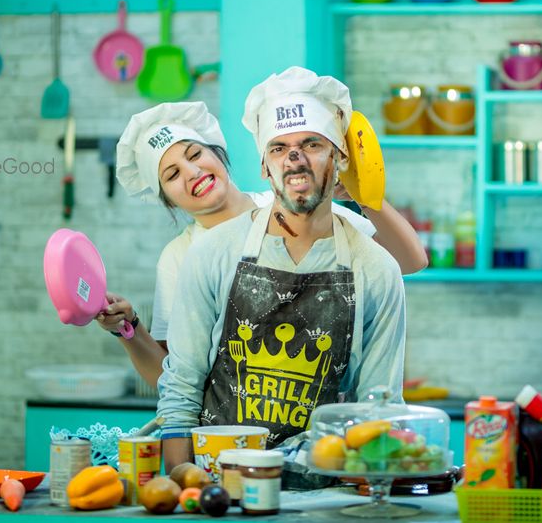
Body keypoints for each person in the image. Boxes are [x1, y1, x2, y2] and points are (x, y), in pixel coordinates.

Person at [157, 66, 408, 469]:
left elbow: (378, 410)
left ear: (340, 157)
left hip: (327, 490)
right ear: (264, 167)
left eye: (312, 144)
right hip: (219, 488)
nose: (295, 160)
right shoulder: (212, 254)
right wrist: (180, 483)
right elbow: (181, 389)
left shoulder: (376, 269)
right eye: (279, 148)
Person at [97, 101, 425, 388]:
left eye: (195, 154)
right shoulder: (181, 257)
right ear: (166, 198)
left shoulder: (291, 204)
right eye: (171, 174)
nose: (193, 171)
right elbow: (173, 377)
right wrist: (130, 328)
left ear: (217, 152)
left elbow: (409, 261)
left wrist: (363, 198)